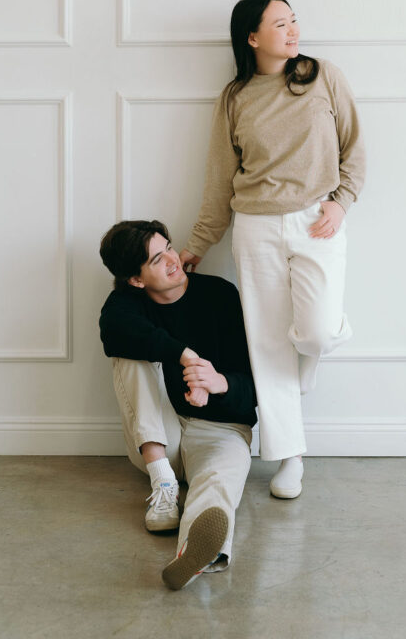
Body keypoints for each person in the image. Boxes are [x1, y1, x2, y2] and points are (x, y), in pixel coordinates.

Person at [179, 0, 365, 501]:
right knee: (267, 345)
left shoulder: (322, 75)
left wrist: (340, 202)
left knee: (318, 331)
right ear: (253, 37)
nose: (293, 31)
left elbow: (355, 148)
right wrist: (198, 243)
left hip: (316, 223)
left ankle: (326, 339)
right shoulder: (235, 96)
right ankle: (290, 457)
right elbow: (220, 179)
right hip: (254, 226)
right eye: (280, 24)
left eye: (294, 21)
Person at [99, 219, 256, 590]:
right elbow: (114, 329)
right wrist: (186, 357)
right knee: (126, 351)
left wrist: (218, 383)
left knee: (220, 479)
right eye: (157, 259)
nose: (173, 260)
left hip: (220, 430)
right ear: (136, 280)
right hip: (159, 437)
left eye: (168, 247)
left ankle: (195, 554)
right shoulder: (125, 304)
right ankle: (164, 487)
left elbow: (252, 386)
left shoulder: (219, 295)